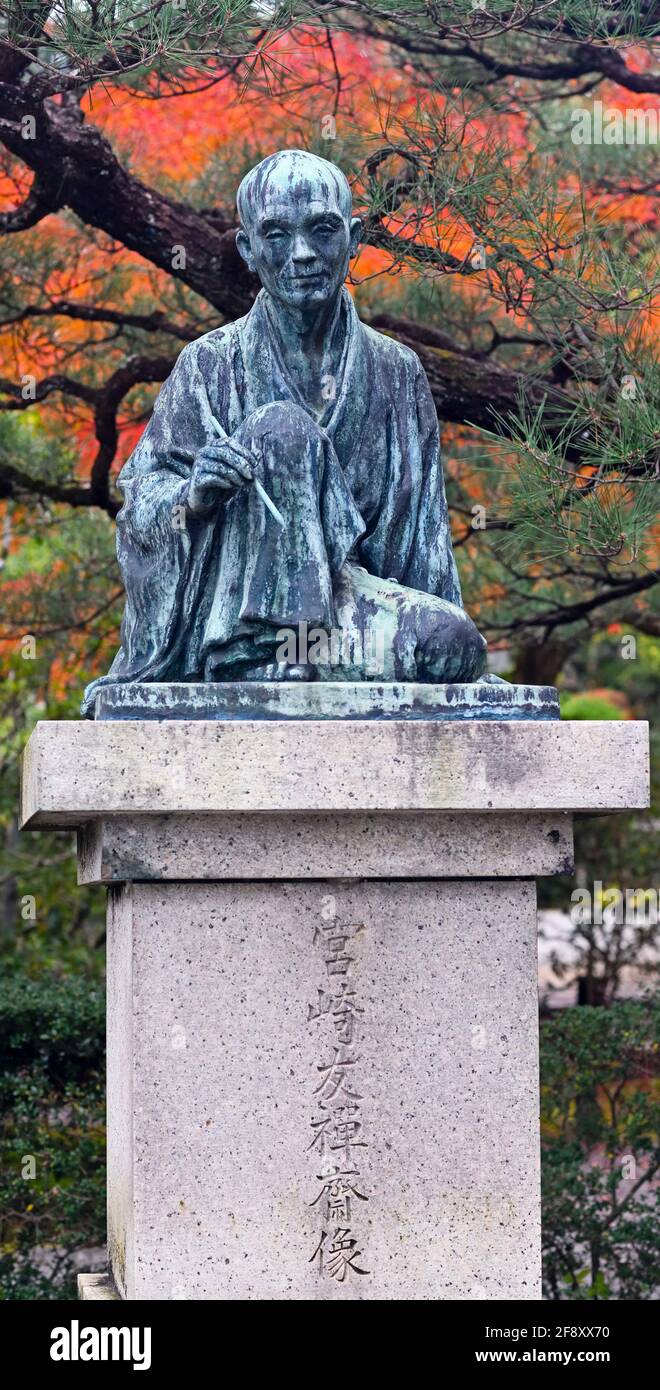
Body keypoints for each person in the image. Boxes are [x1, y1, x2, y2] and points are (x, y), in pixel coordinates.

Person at [82, 149, 486, 715]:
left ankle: (295, 655)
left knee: (454, 648)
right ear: (248, 249)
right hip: (230, 616)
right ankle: (260, 650)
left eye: (321, 230)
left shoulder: (396, 372)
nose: (301, 254)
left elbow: (422, 540)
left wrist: (454, 665)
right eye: (276, 234)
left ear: (353, 238)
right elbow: (142, 515)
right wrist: (194, 497)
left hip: (342, 614)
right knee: (281, 427)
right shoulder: (208, 364)